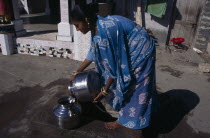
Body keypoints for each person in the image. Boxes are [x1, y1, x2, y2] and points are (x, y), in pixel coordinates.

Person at [69, 3, 158, 130]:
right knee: (124, 82)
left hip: (141, 50)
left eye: (77, 25)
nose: (77, 29)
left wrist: (104, 90)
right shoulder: (97, 26)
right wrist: (77, 72)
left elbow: (115, 69)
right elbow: (92, 52)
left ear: (86, 20)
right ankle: (137, 111)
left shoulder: (106, 31)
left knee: (135, 85)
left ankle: (127, 120)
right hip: (131, 47)